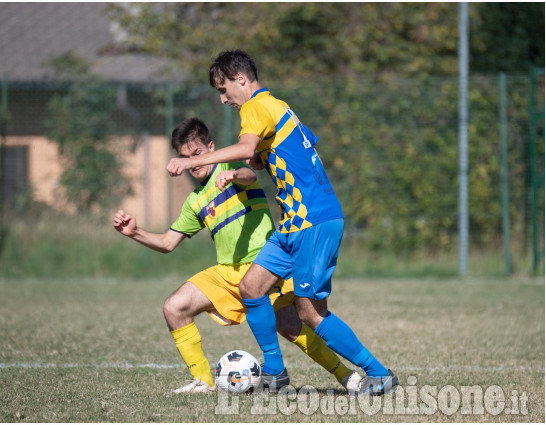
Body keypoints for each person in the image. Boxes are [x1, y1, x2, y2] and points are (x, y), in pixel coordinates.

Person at [166, 51, 399, 396]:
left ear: (240, 79)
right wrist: (259, 157)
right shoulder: (278, 106)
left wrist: (191, 163)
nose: (223, 98)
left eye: (223, 88)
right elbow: (288, 151)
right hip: (292, 223)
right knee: (251, 288)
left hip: (313, 220)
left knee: (309, 312)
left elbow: (247, 147)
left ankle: (378, 373)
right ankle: (274, 370)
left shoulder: (256, 107)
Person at [115, 117, 361, 394]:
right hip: (227, 273)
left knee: (291, 327)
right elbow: (168, 242)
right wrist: (135, 232)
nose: (193, 163)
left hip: (265, 265)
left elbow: (251, 175)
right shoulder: (195, 200)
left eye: (197, 154)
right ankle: (203, 381)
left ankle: (346, 376)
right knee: (175, 306)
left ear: (211, 147)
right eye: (185, 158)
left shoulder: (231, 168)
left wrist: (232, 175)